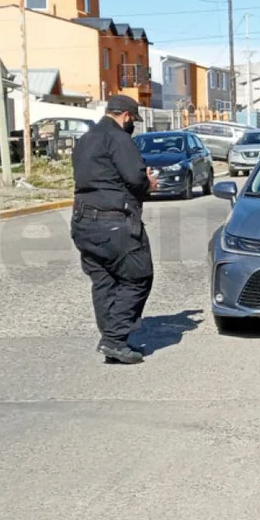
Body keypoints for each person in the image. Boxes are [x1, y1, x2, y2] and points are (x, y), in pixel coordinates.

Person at [70, 95, 158, 365]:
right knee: (138, 276)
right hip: (114, 223)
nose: (132, 125)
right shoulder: (119, 139)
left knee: (104, 279)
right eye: (133, 120)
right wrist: (149, 184)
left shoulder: (85, 139)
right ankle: (115, 340)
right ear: (127, 116)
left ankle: (110, 337)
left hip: (83, 221)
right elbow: (134, 178)